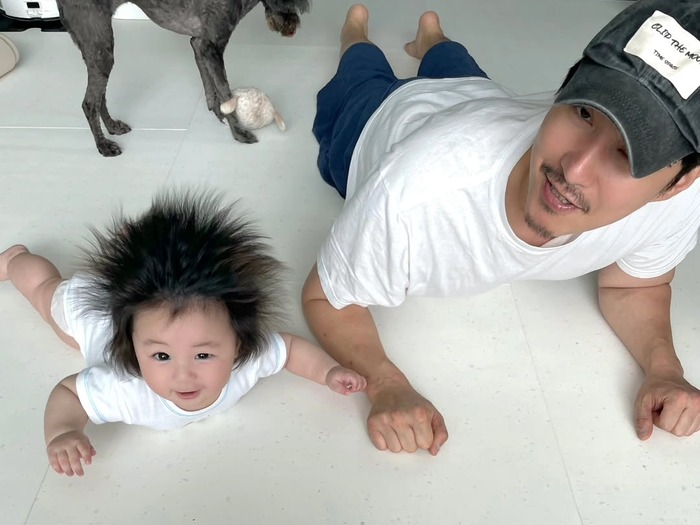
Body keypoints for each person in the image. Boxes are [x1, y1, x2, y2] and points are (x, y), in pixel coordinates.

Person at [302, 1, 700, 456]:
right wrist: (385, 382)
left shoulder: (681, 201)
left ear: (680, 181)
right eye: (584, 111)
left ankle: (431, 39)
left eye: (627, 155)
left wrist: (664, 369)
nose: (574, 169)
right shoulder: (412, 195)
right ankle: (356, 34)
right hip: (380, 119)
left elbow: (635, 286)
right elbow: (326, 296)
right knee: (362, 72)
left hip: (480, 97)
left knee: (457, 66)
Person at [0, 190, 366, 477]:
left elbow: (288, 349)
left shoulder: (248, 359)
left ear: (238, 344)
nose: (183, 374)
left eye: (203, 355)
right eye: (161, 356)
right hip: (93, 315)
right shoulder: (123, 388)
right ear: (132, 349)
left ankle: (138, 250)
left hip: (145, 308)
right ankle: (15, 260)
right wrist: (63, 432)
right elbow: (69, 393)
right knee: (46, 294)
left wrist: (328, 372)